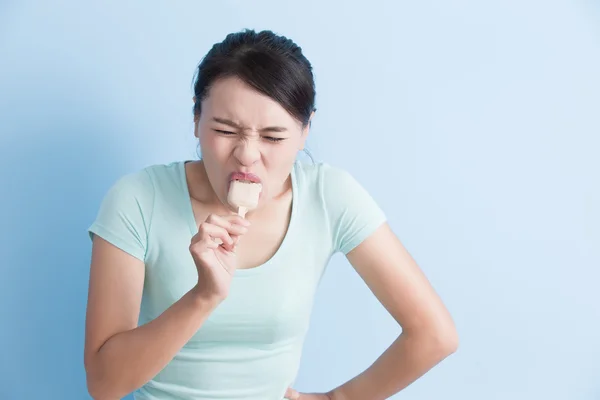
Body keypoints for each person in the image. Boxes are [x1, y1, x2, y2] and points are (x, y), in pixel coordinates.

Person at [83, 29, 458, 400]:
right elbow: (104, 384)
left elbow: (434, 335)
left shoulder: (328, 197)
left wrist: (338, 399)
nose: (247, 155)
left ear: (306, 130)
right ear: (196, 119)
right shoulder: (136, 200)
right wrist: (203, 296)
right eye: (225, 129)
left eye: (273, 138)